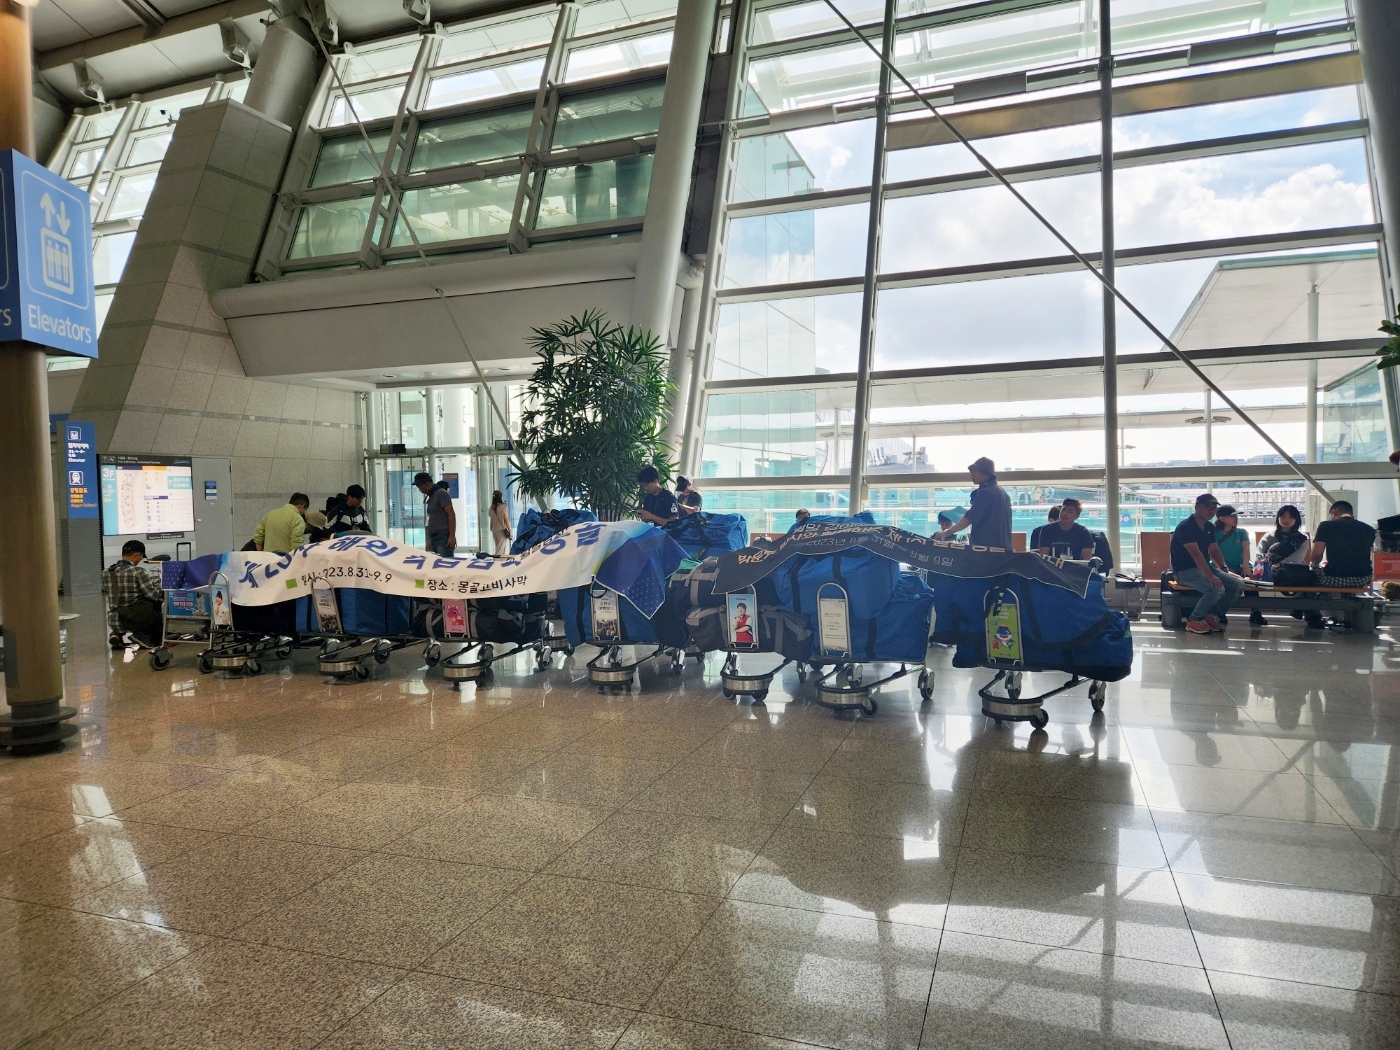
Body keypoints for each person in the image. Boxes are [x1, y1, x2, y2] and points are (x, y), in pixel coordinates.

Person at [1170, 492, 1245, 634]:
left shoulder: (1209, 527)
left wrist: (1223, 568)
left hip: (1205, 567)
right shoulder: (1185, 527)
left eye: (1214, 508)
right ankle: (1194, 619)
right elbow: (1196, 554)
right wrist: (1210, 576)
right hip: (1185, 571)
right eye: (1208, 508)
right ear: (1197, 507)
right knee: (1216, 588)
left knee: (1237, 585)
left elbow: (1214, 550)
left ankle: (1210, 614)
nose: (1212, 511)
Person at [1306, 500, 1377, 627]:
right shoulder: (1369, 529)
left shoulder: (1326, 525)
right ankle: (1348, 617)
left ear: (1334, 512)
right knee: (1345, 576)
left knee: (1315, 574)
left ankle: (1328, 615)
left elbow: (1316, 555)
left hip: (1334, 578)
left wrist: (1314, 566)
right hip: (1363, 578)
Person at [1250, 504, 1309, 627]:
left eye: (1290, 517)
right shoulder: (1269, 536)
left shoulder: (1302, 539)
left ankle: (1311, 613)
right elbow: (1259, 556)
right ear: (1278, 518)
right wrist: (1268, 566)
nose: (1286, 519)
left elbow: (1296, 559)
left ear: (1297, 519)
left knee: (1310, 577)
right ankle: (1255, 612)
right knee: (1251, 578)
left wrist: (1278, 565)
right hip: (1268, 572)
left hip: (1289, 572)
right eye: (1283, 516)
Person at [935, 457, 1012, 549]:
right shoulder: (1003, 493)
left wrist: (946, 533)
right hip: (1003, 548)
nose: (971, 473)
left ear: (985, 471)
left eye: (975, 470)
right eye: (971, 471)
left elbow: (969, 518)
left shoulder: (986, 492)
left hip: (986, 549)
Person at [105, 540, 163, 648]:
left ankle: (116, 634)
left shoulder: (107, 572)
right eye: (141, 557)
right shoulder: (138, 571)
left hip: (114, 619)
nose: (140, 560)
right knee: (156, 606)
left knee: (121, 606)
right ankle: (141, 636)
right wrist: (158, 589)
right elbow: (153, 595)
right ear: (136, 555)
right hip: (134, 619)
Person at [414, 472, 456, 557]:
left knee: (444, 563)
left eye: (419, 487)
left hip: (443, 537)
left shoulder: (441, 493)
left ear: (425, 484)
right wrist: (429, 541)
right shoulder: (432, 496)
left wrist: (452, 536)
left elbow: (451, 514)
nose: (420, 490)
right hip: (434, 537)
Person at [1213, 505, 1250, 575]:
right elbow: (1215, 552)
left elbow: (1246, 549)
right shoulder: (1213, 533)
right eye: (1232, 516)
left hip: (1240, 567)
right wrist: (1225, 570)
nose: (1236, 518)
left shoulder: (1242, 532)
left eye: (1236, 516)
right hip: (1221, 569)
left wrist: (1246, 567)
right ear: (1222, 518)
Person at [489, 489, 512, 556]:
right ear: (501, 497)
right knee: (500, 550)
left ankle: (501, 561)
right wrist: (510, 530)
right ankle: (496, 562)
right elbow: (506, 519)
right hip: (501, 531)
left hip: (494, 531)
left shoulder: (491, 508)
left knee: (499, 548)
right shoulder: (503, 507)